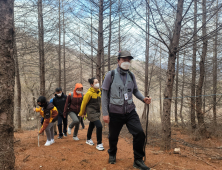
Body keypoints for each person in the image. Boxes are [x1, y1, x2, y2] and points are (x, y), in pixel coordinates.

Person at [102, 51, 151, 170]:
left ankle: (138, 160)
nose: (126, 62)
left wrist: (143, 98)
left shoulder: (132, 75)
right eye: (124, 59)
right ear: (118, 60)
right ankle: (112, 153)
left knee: (139, 133)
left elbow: (135, 90)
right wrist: (105, 113)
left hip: (130, 111)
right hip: (114, 112)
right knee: (113, 136)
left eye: (128, 60)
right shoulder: (111, 75)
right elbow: (104, 94)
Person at [78, 78, 104, 151]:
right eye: (95, 82)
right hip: (91, 112)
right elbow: (83, 104)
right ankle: (99, 144)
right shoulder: (89, 93)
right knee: (99, 126)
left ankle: (88, 139)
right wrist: (81, 113)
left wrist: (101, 110)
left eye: (98, 82)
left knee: (92, 125)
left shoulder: (99, 92)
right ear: (92, 84)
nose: (97, 83)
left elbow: (99, 103)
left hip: (97, 112)